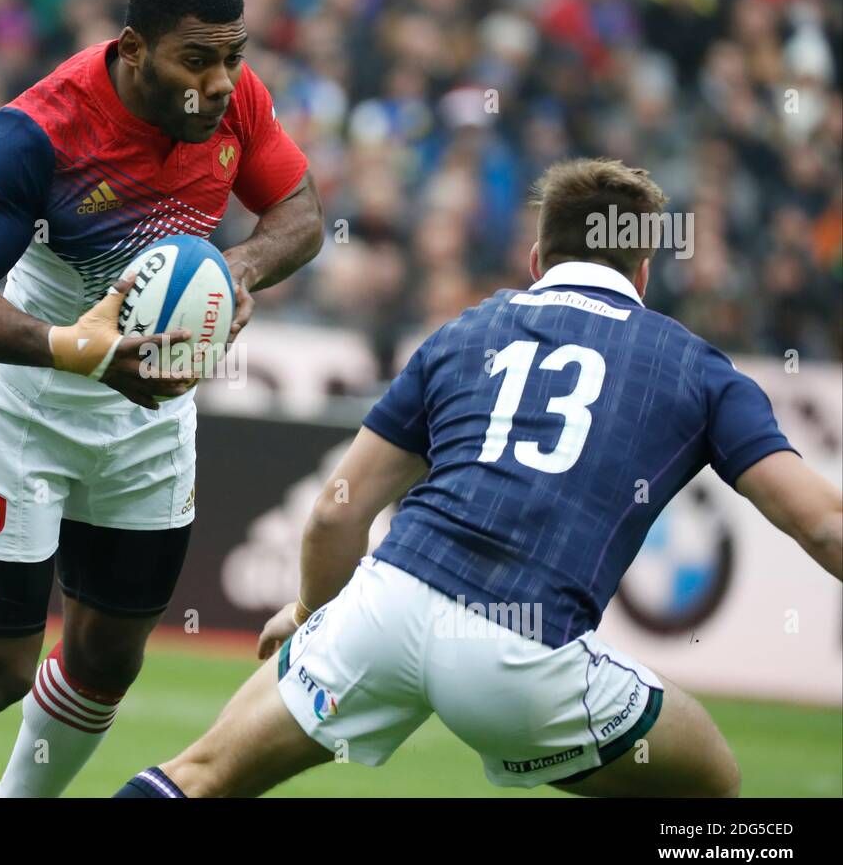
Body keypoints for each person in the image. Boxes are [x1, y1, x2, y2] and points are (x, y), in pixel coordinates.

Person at [115, 157, 842, 798]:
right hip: (521, 654)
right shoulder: (699, 370)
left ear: (536, 259)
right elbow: (820, 522)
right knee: (711, 785)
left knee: (202, 776)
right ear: (644, 273)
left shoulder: (463, 332)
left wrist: (312, 613)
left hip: (387, 606)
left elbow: (339, 512)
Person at [0, 0, 323, 799]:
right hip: (27, 411)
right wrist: (76, 347)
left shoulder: (237, 101)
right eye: (196, 60)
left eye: (232, 58)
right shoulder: (42, 130)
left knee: (107, 657)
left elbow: (303, 213)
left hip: (149, 420)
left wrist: (238, 270)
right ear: (134, 50)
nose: (217, 83)